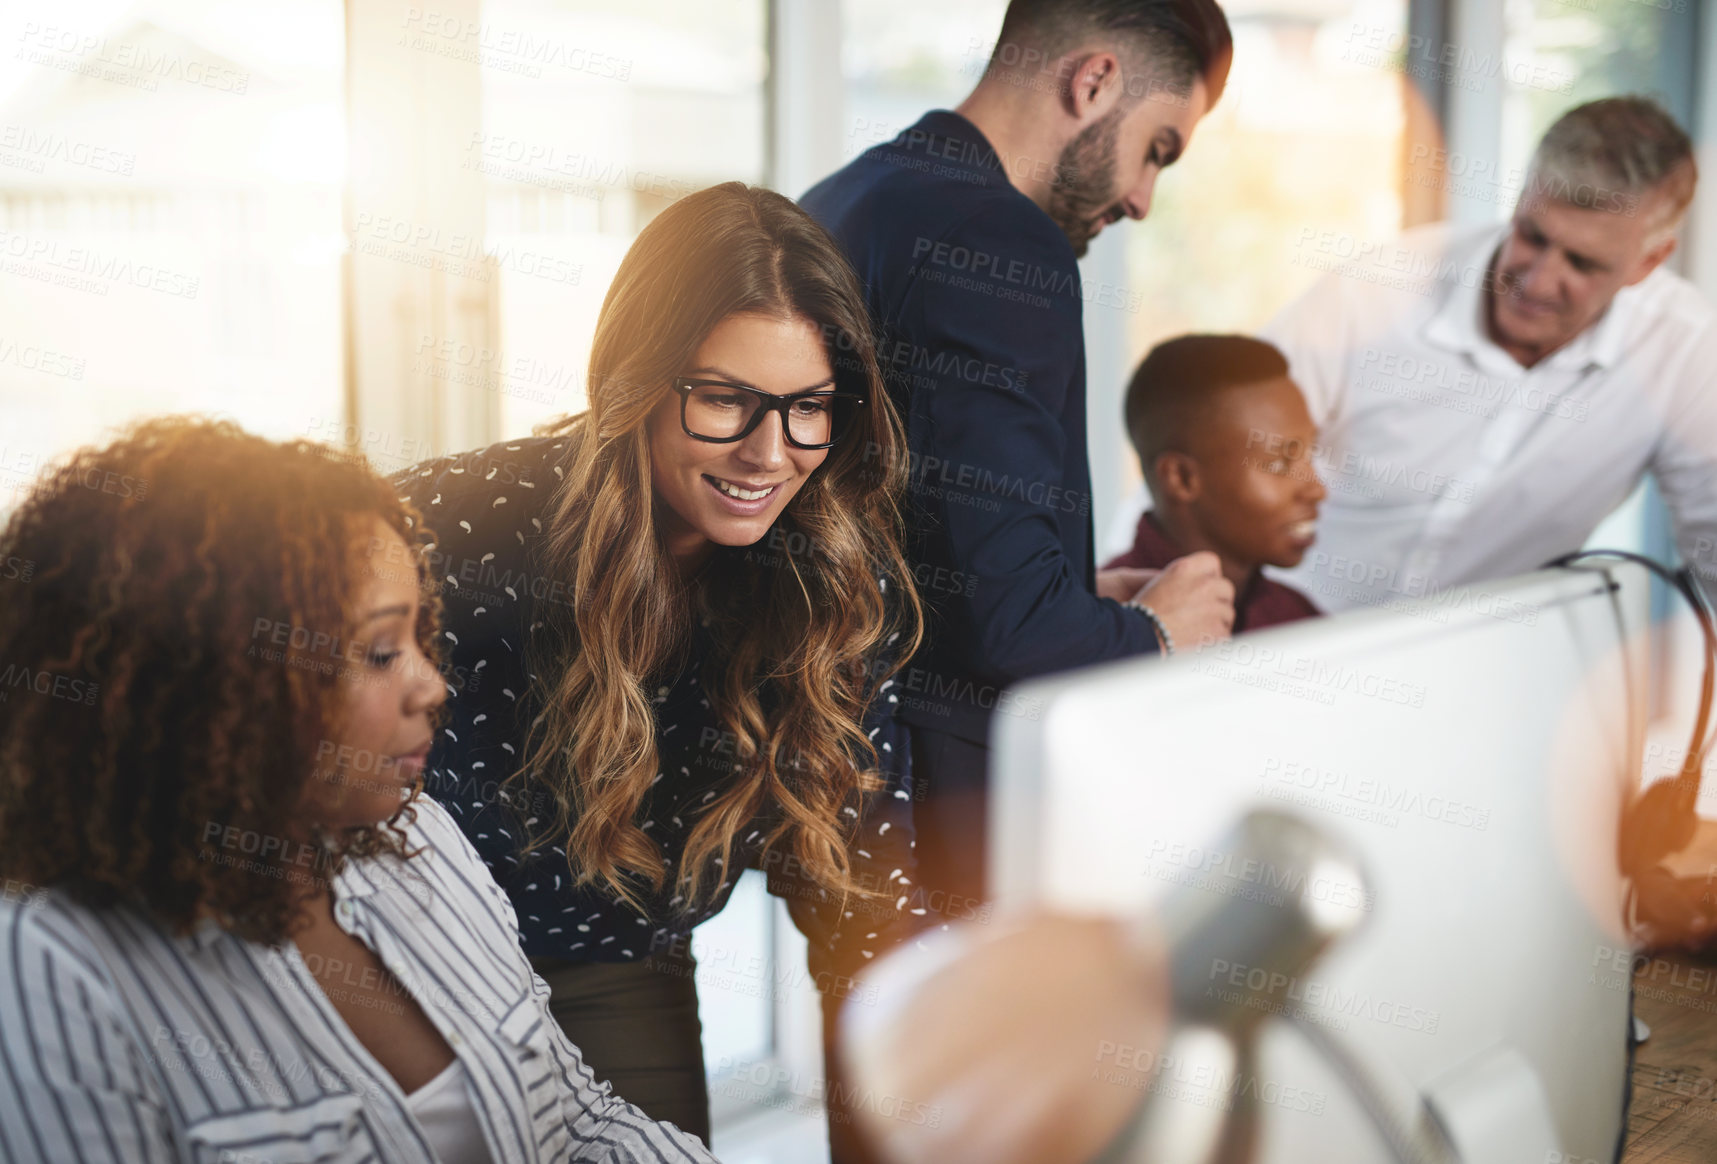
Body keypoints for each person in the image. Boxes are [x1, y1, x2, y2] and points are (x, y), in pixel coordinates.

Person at [0, 417, 716, 1163]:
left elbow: (573, 1121)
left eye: (417, 636)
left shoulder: (423, 840)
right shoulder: (54, 969)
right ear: (210, 683)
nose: (433, 685)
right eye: (378, 653)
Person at [391, 182, 927, 1149]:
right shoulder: (450, 531)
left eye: (809, 408)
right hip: (406, 965)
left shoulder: (840, 584)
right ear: (634, 379)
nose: (769, 453)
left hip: (615, 960)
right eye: (724, 400)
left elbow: (860, 909)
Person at [801, 0, 1239, 910]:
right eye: (1157, 149)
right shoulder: (999, 240)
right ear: (1094, 82)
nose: (1142, 200)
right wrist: (1158, 634)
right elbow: (1006, 622)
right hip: (952, 829)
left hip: (838, 805)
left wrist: (1077, 594)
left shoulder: (843, 200)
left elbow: (931, 547)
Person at [1259, 96, 1717, 613]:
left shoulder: (1683, 350)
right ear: (1522, 198)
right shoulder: (1377, 291)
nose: (1539, 281)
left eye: (1583, 263)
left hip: (1483, 669)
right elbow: (1221, 446)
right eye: (1532, 235)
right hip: (1285, 636)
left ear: (1649, 262)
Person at [1105, 334, 1324, 633]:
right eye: (1279, 463)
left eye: (1310, 453)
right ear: (1180, 478)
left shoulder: (1297, 619)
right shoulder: (1097, 631)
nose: (1317, 490)